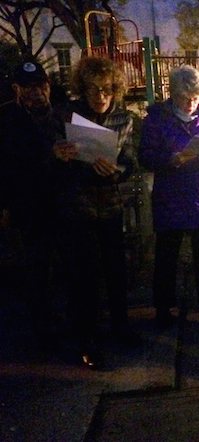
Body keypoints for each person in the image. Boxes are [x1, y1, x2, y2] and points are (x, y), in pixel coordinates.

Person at [53, 57, 141, 369]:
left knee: (116, 271)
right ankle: (87, 339)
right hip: (78, 207)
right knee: (84, 277)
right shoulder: (67, 115)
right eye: (93, 91)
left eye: (106, 90)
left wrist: (116, 171)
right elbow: (51, 156)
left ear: (115, 89)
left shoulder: (123, 118)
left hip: (110, 206)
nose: (100, 97)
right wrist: (58, 155)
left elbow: (129, 160)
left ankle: (120, 326)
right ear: (83, 90)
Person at [138, 65, 199, 329]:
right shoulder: (156, 120)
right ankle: (163, 308)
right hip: (172, 199)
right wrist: (171, 160)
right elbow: (145, 156)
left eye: (196, 99)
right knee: (167, 258)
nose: (192, 104)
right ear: (174, 94)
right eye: (186, 98)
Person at [0, 61, 62, 348]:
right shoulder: (7, 119)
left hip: (62, 203)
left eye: (41, 85)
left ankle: (64, 321)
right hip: (28, 207)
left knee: (64, 266)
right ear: (17, 89)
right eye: (29, 87)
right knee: (37, 269)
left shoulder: (61, 115)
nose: (37, 92)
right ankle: (44, 328)